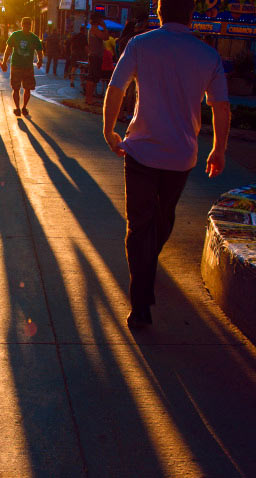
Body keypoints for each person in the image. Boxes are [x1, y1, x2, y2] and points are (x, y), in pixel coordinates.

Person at [102, 0, 231, 328]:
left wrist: (109, 130)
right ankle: (145, 283)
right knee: (163, 217)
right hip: (180, 156)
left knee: (140, 225)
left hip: (141, 151)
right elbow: (221, 108)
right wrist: (218, 149)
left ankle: (141, 300)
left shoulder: (141, 44)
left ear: (159, 13)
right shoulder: (208, 56)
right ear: (191, 14)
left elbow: (116, 87)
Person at [1, 17, 43, 117]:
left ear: (31, 25)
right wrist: (4, 62)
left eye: (29, 24)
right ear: (22, 24)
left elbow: (39, 50)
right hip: (16, 65)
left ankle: (24, 107)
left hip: (28, 67)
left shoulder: (34, 38)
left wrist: (40, 60)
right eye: (25, 24)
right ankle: (17, 108)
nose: (27, 26)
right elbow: (8, 48)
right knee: (16, 88)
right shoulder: (15, 35)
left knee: (27, 88)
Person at [86, 13, 108, 105]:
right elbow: (106, 37)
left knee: (94, 77)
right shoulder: (94, 30)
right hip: (95, 56)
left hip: (95, 55)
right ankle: (89, 99)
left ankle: (89, 98)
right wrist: (104, 26)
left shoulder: (92, 30)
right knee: (92, 77)